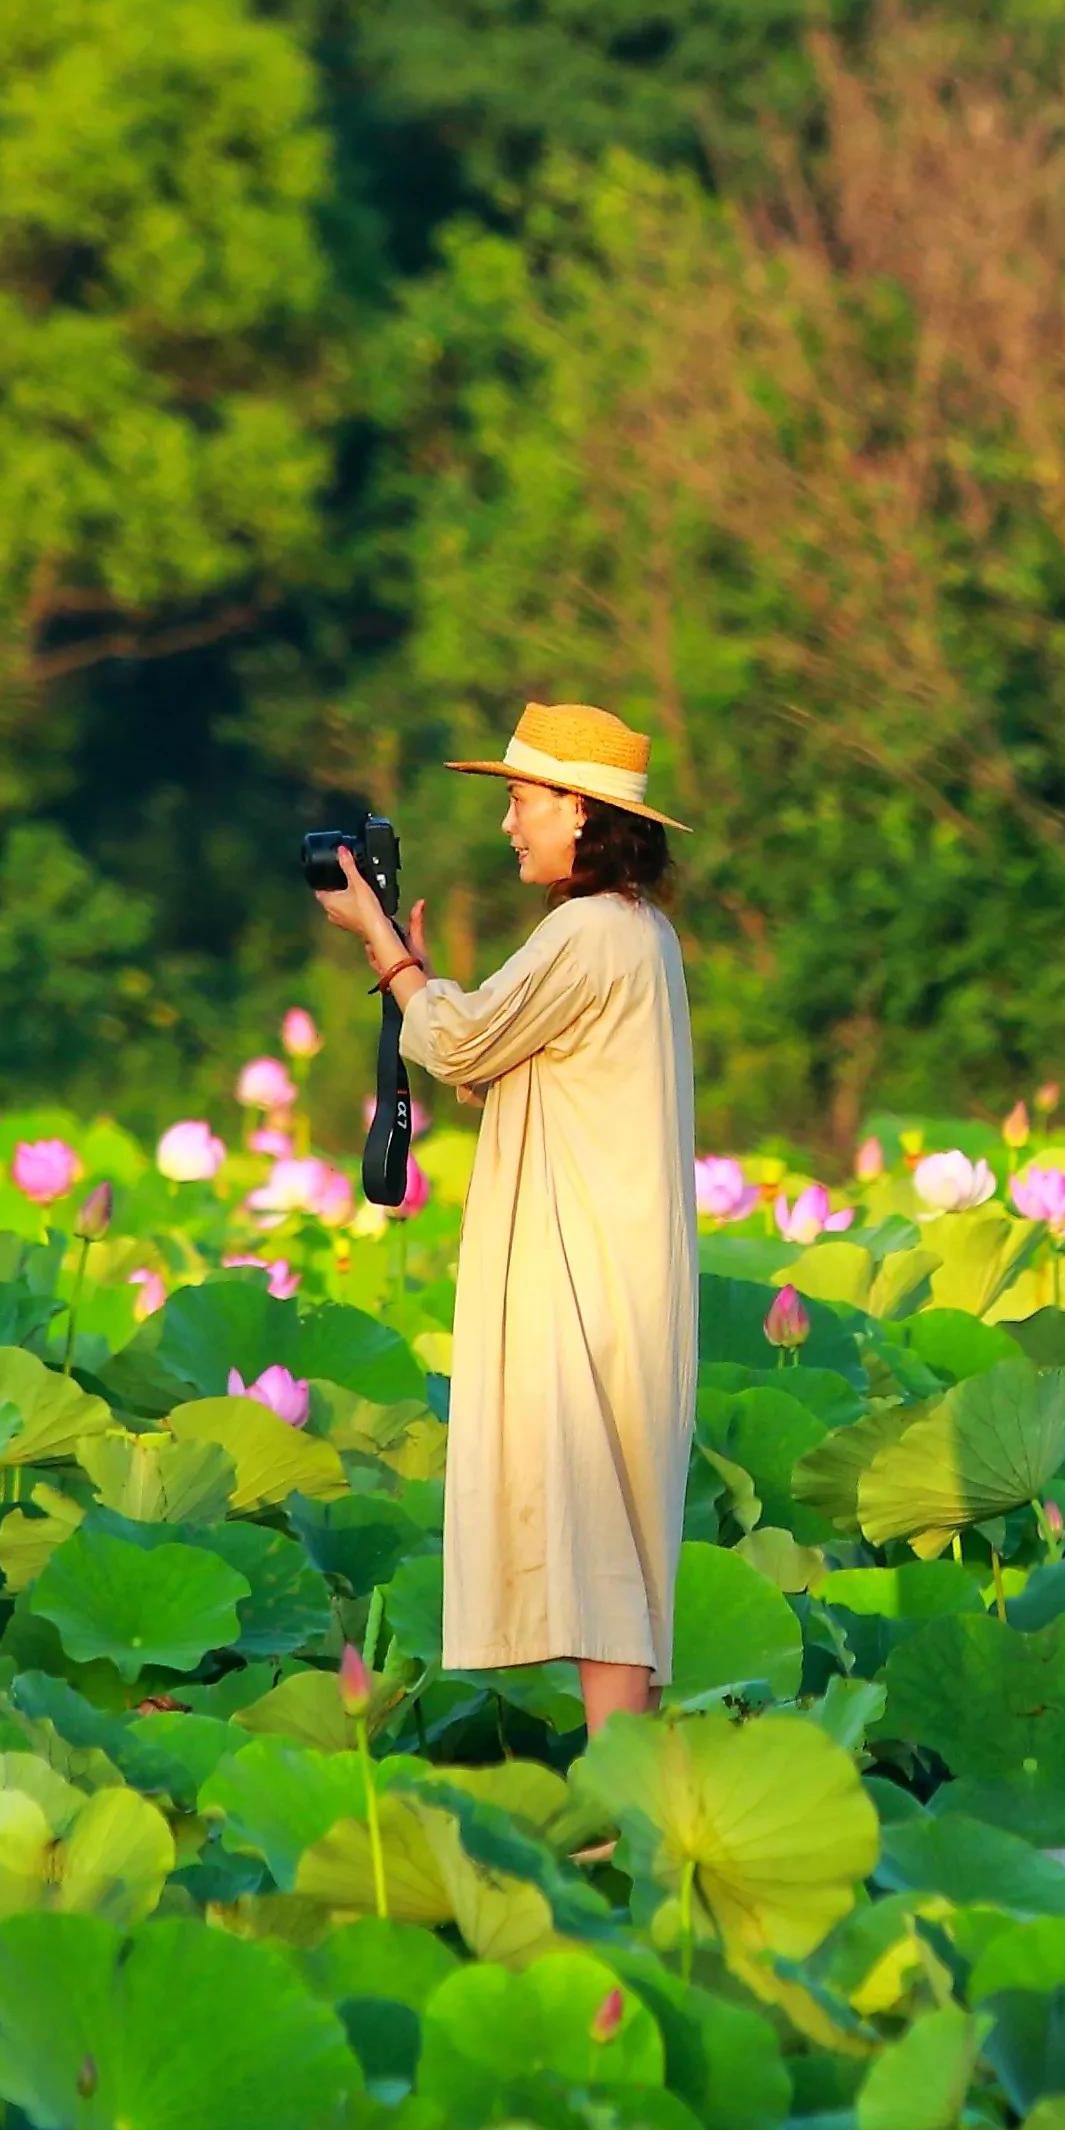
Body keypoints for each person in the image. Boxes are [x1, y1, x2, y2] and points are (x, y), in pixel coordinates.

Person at [313, 700, 700, 1721]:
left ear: (579, 810)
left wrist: (383, 947)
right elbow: (498, 1056)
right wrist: (421, 981)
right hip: (617, 1267)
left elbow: (461, 1048)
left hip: (586, 1269)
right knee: (610, 1527)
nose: (510, 821)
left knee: (599, 1533)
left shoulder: (587, 930)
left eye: (523, 800)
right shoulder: (636, 932)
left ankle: (625, 1807)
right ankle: (633, 1804)